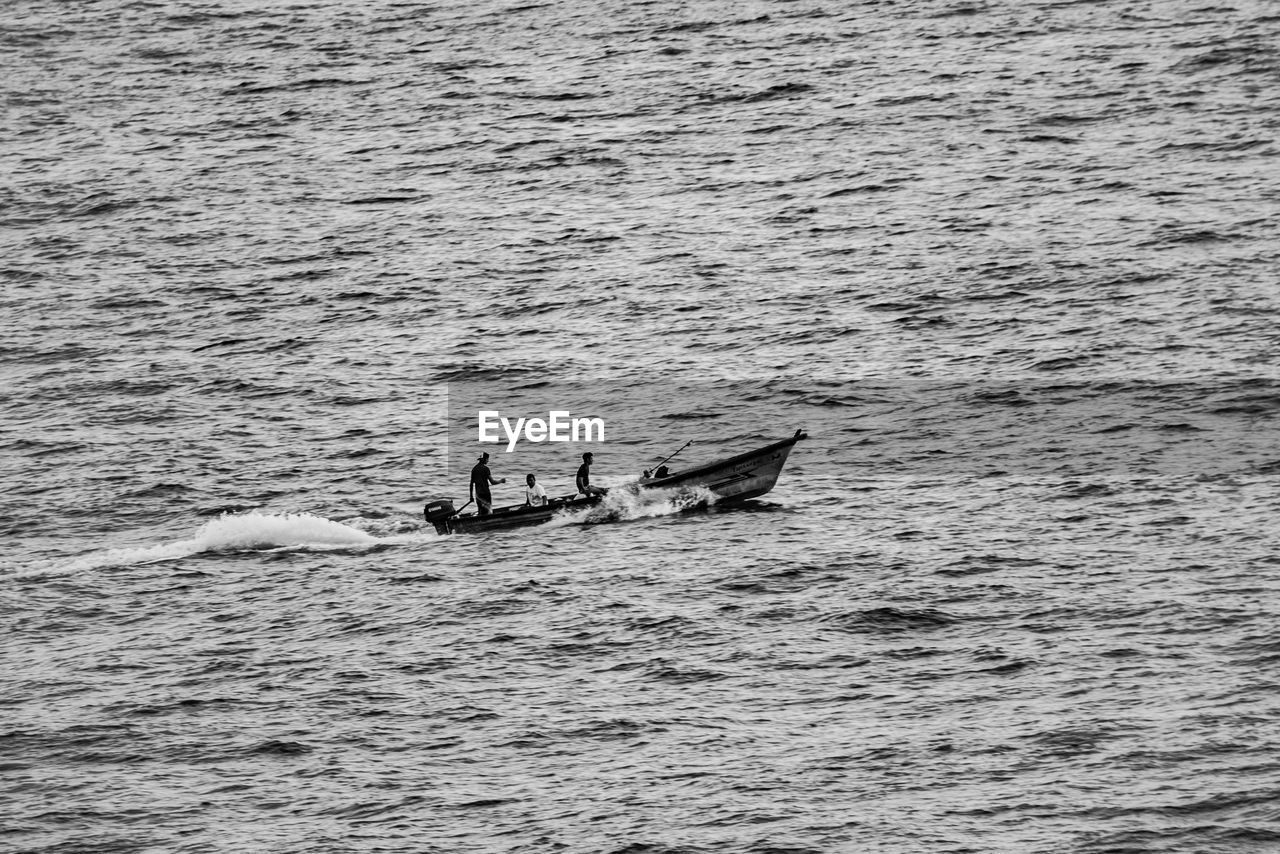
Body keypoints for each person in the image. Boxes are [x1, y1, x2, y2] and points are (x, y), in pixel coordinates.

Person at [470, 452, 505, 516]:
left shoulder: (474, 469)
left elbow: (471, 484)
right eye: (487, 459)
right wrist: (501, 481)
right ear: (484, 459)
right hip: (485, 493)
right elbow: (492, 482)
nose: (488, 461)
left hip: (478, 495)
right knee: (488, 512)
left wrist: (471, 496)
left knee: (480, 512)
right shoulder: (486, 469)